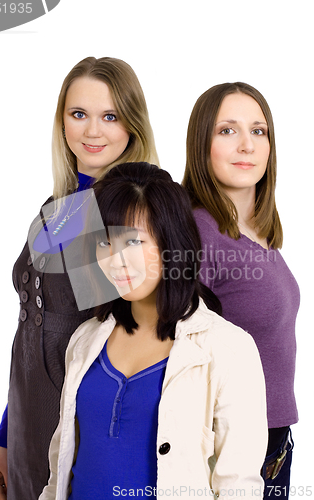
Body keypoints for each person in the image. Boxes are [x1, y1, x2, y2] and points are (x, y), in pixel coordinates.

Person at [39, 162, 267, 500]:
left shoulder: (229, 349)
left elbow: (239, 487)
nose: (116, 260)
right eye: (104, 243)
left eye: (133, 240)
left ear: (172, 243)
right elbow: (60, 467)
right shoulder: (85, 339)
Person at [0, 57, 159, 500]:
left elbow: (139, 342)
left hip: (83, 429)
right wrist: (7, 435)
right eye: (78, 114)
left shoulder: (134, 213)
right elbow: (33, 327)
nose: (92, 131)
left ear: (133, 125)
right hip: (31, 415)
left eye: (110, 116)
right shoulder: (60, 204)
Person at [182, 82, 300, 500]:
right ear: (201, 144)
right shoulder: (199, 234)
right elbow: (174, 354)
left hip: (272, 439)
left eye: (259, 131)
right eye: (227, 131)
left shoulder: (260, 235)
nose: (247, 145)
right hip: (228, 447)